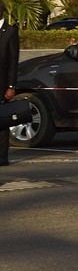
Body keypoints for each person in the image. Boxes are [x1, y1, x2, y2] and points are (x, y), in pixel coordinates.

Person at [0, 13, 17, 166]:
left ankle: (2, 157)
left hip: (2, 84)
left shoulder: (10, 31)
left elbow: (13, 60)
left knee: (2, 120)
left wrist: (11, 86)